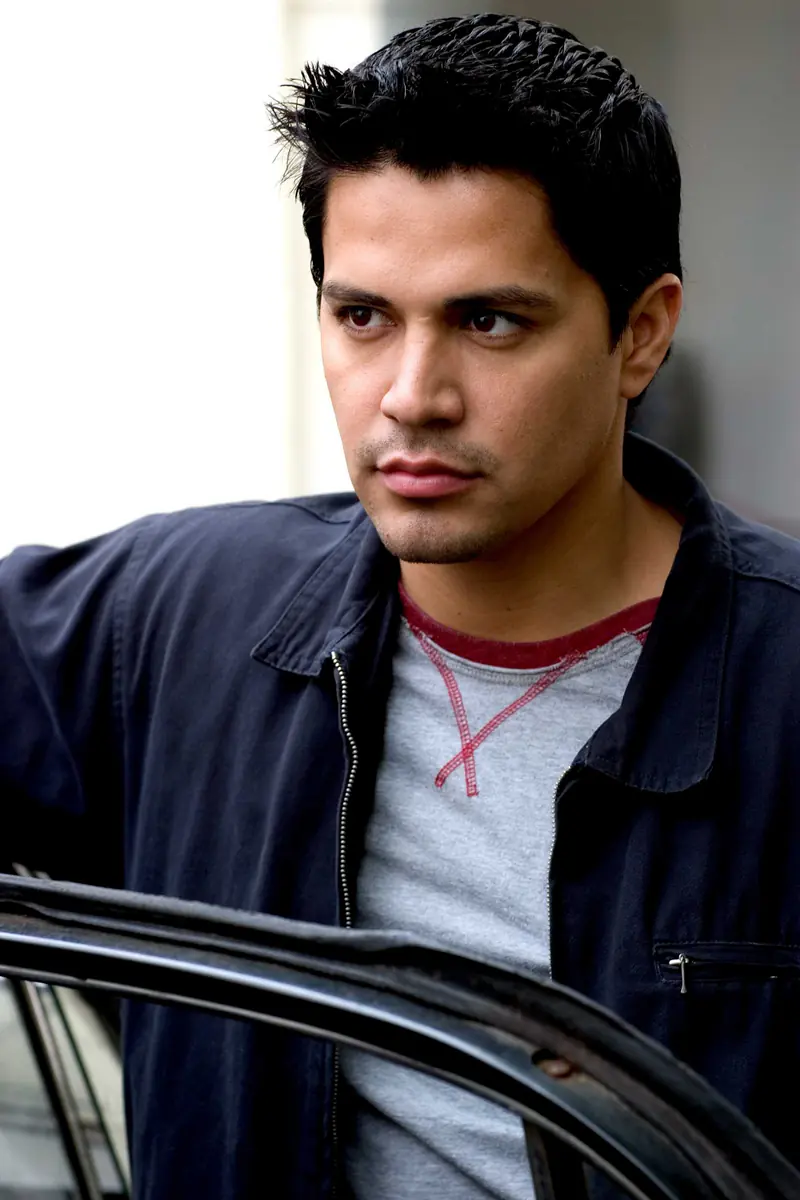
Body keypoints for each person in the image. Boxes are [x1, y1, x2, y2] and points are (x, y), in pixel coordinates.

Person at [2, 12, 800, 1199]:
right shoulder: (175, 619)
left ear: (639, 336)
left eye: (488, 320)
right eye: (362, 316)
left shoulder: (780, 680)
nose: (411, 395)